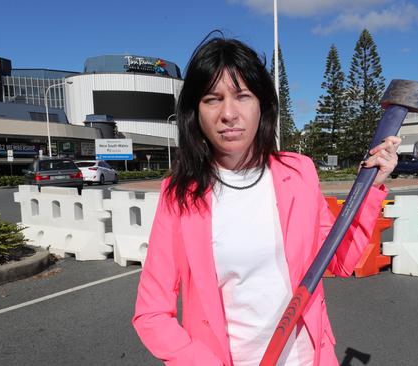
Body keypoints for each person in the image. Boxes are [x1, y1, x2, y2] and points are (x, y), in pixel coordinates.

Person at [132, 35, 401, 366]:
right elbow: (151, 313)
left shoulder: (298, 173)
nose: (229, 113)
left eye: (242, 96)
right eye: (212, 99)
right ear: (194, 113)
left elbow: (341, 260)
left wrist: (371, 187)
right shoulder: (179, 196)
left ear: (262, 104)